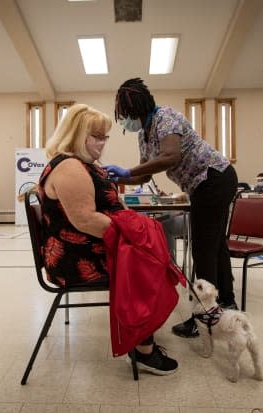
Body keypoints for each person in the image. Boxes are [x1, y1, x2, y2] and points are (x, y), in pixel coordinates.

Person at [39, 103, 178, 375]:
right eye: (97, 137)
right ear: (77, 135)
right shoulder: (70, 167)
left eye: (105, 137)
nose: (103, 143)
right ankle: (143, 350)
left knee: (153, 255)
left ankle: (142, 335)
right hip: (77, 257)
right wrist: (136, 237)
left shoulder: (83, 164)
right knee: (148, 263)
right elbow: (86, 220)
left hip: (87, 247)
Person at [106, 77, 239, 339]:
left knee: (203, 248)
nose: (123, 120)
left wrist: (128, 170)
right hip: (205, 184)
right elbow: (144, 175)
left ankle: (204, 317)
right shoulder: (144, 134)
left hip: (213, 178)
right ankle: (227, 302)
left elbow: (170, 156)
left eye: (124, 114)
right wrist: (118, 177)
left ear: (136, 109)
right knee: (215, 245)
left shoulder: (165, 117)